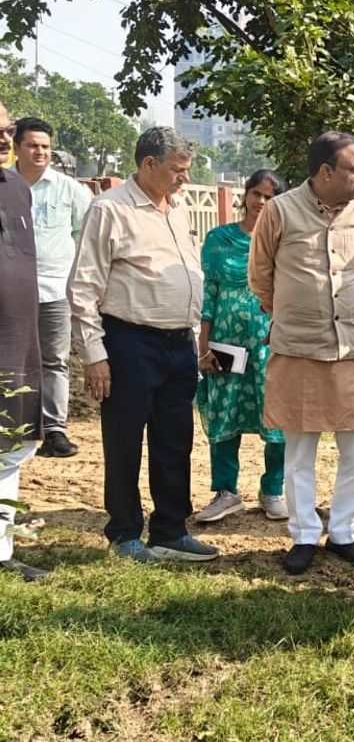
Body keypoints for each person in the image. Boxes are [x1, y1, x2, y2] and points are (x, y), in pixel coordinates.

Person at [68, 126, 218, 562]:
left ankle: (170, 529)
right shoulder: (110, 209)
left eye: (187, 171)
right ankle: (124, 532)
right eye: (177, 170)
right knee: (125, 439)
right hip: (129, 341)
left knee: (176, 439)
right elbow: (83, 287)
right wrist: (95, 355)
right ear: (148, 164)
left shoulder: (178, 208)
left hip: (178, 343)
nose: (184, 179)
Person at [249, 131, 354, 576]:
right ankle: (304, 533)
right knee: (299, 451)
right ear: (325, 171)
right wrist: (293, 314)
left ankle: (344, 532)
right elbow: (261, 275)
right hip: (299, 348)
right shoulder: (280, 210)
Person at [193, 169, 289, 524]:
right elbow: (210, 293)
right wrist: (203, 344)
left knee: (277, 416)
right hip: (225, 342)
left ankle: (273, 490)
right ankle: (225, 491)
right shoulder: (219, 239)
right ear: (245, 194)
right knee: (223, 412)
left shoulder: (285, 241)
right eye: (256, 193)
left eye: (269, 196)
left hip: (271, 344)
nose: (260, 202)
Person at [13, 116, 92, 459]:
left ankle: (55, 430)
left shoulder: (68, 189)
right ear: (17, 148)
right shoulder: (5, 185)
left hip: (56, 289)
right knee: (11, 360)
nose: (39, 152)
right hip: (10, 292)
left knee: (55, 360)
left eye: (45, 146)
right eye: (32, 145)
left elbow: (85, 233)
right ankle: (13, 428)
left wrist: (74, 275)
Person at [0, 102, 47, 581]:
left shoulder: (15, 187)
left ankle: (2, 552)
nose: (4, 139)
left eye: (6, 130)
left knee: (10, 443)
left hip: (17, 339)